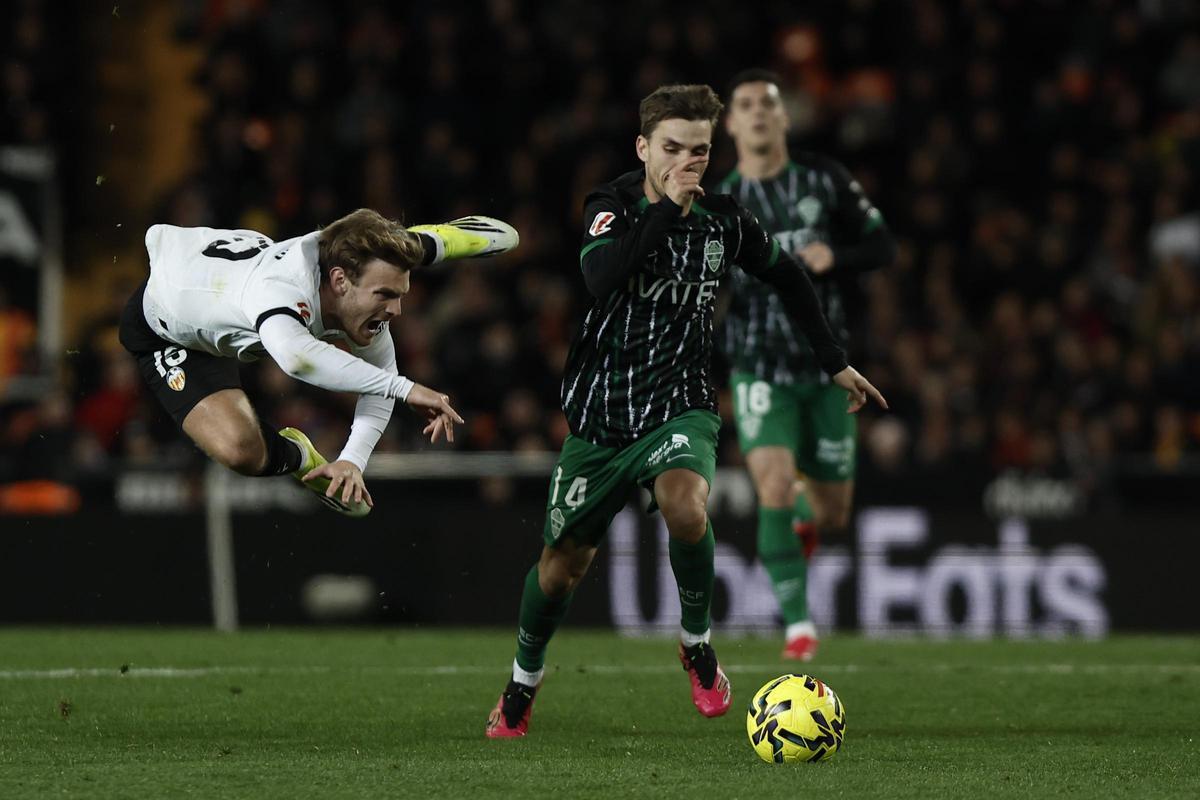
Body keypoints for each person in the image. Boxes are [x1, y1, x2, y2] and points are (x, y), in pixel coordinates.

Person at [485, 84, 886, 738]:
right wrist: (665, 211)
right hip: (602, 415)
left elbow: (787, 275)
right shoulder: (609, 205)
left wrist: (832, 359)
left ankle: (696, 643)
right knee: (560, 570)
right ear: (644, 147)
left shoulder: (725, 219)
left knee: (685, 503)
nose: (687, 163)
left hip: (681, 405)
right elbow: (601, 277)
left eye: (699, 150)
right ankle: (522, 683)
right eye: (672, 149)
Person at [118, 210, 518, 514]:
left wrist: (351, 460)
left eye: (401, 294)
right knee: (242, 452)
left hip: (227, 290)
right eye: (384, 294)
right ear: (340, 281)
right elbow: (297, 360)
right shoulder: (278, 294)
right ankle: (299, 457)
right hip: (166, 327)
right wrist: (404, 388)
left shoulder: (357, 267)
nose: (396, 310)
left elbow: (377, 381)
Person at [719, 69, 897, 661]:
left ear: (785, 117)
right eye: (746, 105)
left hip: (827, 368)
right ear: (732, 123)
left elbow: (882, 247)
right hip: (758, 365)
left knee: (831, 511)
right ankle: (799, 627)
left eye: (769, 104)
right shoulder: (721, 202)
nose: (760, 113)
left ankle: (800, 516)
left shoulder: (824, 179)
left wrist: (836, 256)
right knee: (770, 483)